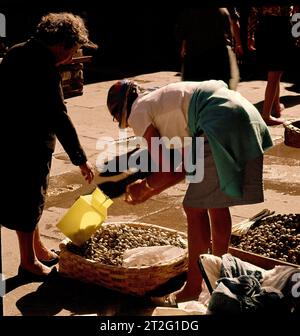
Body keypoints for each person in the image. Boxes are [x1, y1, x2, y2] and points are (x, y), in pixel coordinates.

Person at [106, 79, 273, 304]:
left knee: (193, 207)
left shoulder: (138, 110)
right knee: (215, 201)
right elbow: (180, 170)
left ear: (120, 110)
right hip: (242, 112)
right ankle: (220, 271)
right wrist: (150, 190)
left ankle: (193, 288)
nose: (125, 126)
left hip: (219, 120)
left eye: (119, 120)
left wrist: (144, 187)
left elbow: (166, 171)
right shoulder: (164, 101)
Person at [0, 12, 96, 278]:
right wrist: (80, 158)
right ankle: (28, 262)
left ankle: (37, 247)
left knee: (29, 197)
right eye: (73, 50)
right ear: (62, 44)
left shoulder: (16, 52)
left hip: (8, 138)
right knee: (29, 200)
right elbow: (58, 116)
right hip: (30, 142)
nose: (72, 57)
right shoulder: (43, 66)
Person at [247, 6, 295, 126]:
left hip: (264, 26)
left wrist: (251, 34)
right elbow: (297, 11)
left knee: (275, 71)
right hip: (280, 27)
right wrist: (297, 33)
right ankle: (266, 115)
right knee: (274, 73)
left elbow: (253, 11)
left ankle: (276, 105)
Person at [176, 7, 240, 90]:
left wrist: (184, 46)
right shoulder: (222, 11)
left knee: (194, 90)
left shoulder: (189, 11)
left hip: (195, 57)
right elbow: (229, 33)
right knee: (220, 91)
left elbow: (182, 32)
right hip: (217, 57)